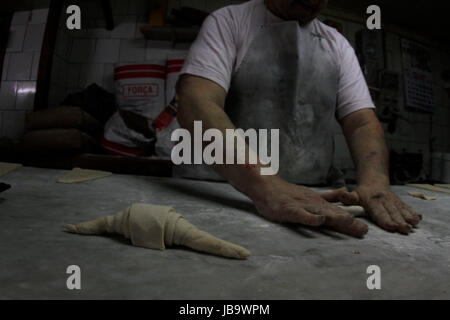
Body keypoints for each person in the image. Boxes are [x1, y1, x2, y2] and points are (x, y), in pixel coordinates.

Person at [175, 0, 422, 237]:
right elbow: (197, 102)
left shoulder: (337, 45)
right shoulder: (229, 21)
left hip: (312, 196)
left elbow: (362, 123)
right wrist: (267, 186)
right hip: (226, 192)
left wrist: (376, 184)